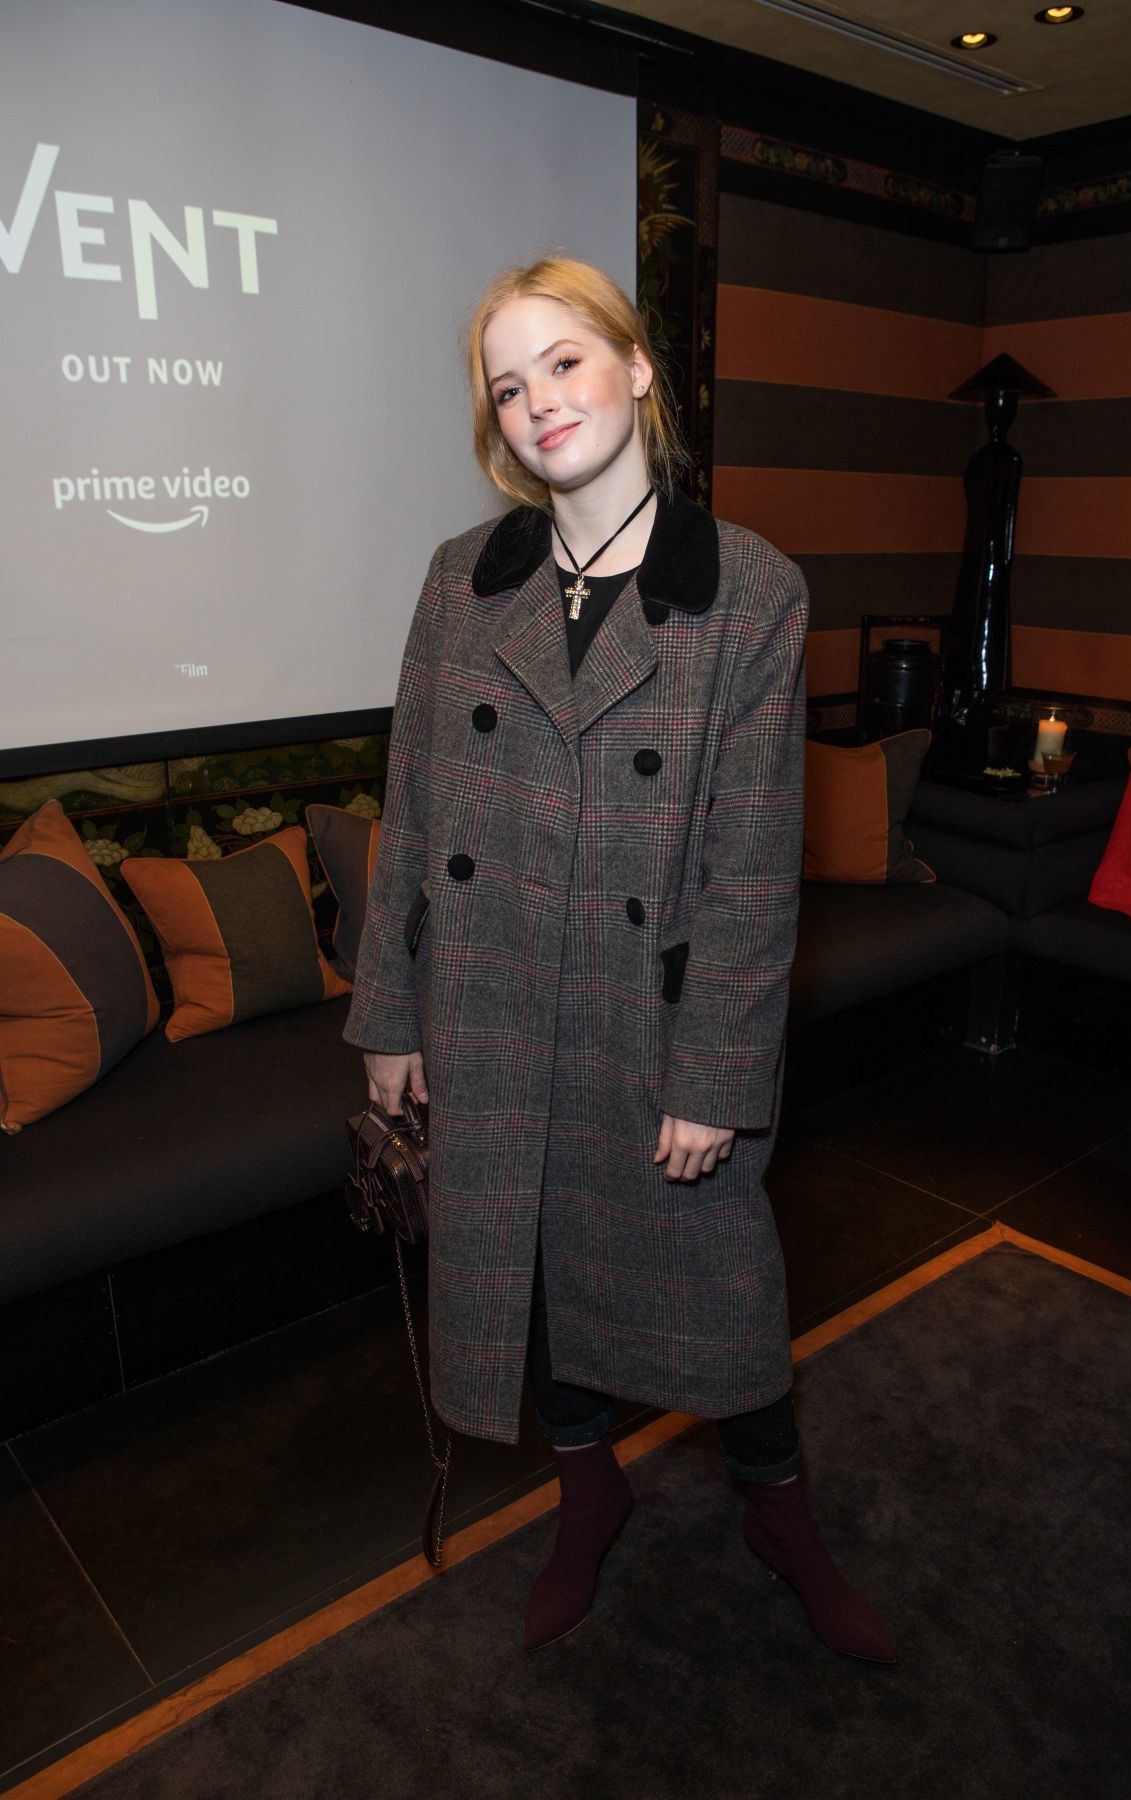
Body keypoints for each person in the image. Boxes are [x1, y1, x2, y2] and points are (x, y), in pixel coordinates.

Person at [344, 255, 895, 1664]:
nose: (538, 402)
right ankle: (588, 1493)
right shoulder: (462, 581)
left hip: (649, 1024)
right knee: (531, 1274)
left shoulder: (750, 590)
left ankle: (779, 1514)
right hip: (487, 1006)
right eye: (506, 386)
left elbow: (755, 866)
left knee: (726, 1299)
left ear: (639, 369)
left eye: (565, 361)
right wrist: (390, 1016)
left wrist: (716, 1078)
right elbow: (412, 811)